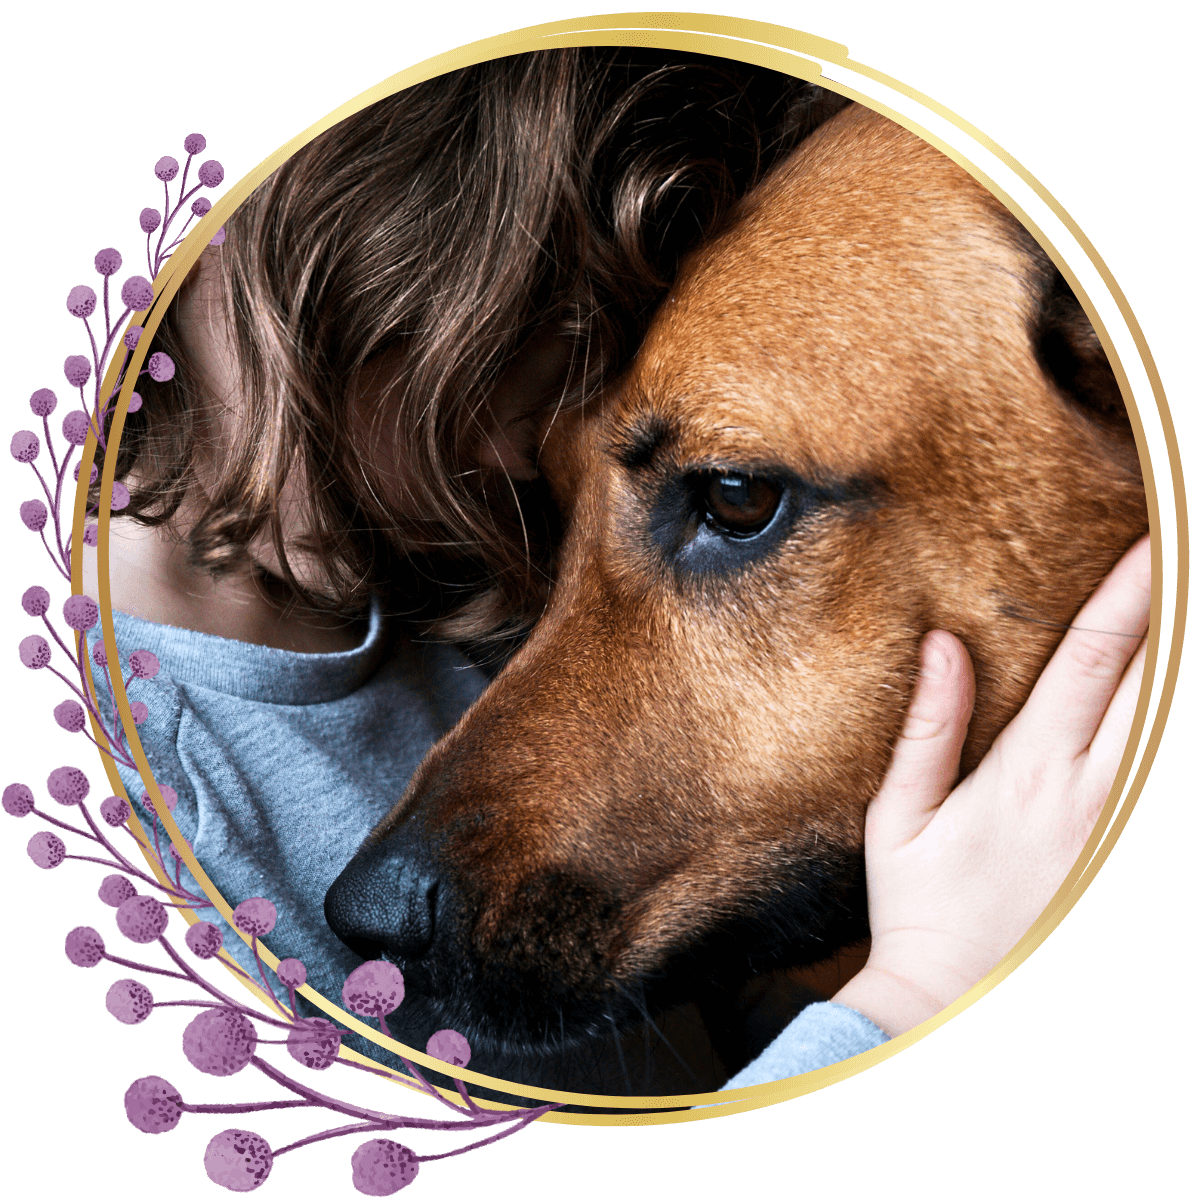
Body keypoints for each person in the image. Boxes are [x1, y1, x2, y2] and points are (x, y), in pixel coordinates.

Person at [80, 47, 1149, 1098]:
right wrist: (921, 987)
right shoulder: (133, 821)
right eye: (425, 343)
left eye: (733, 500)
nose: (492, 456)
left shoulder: (418, 563)